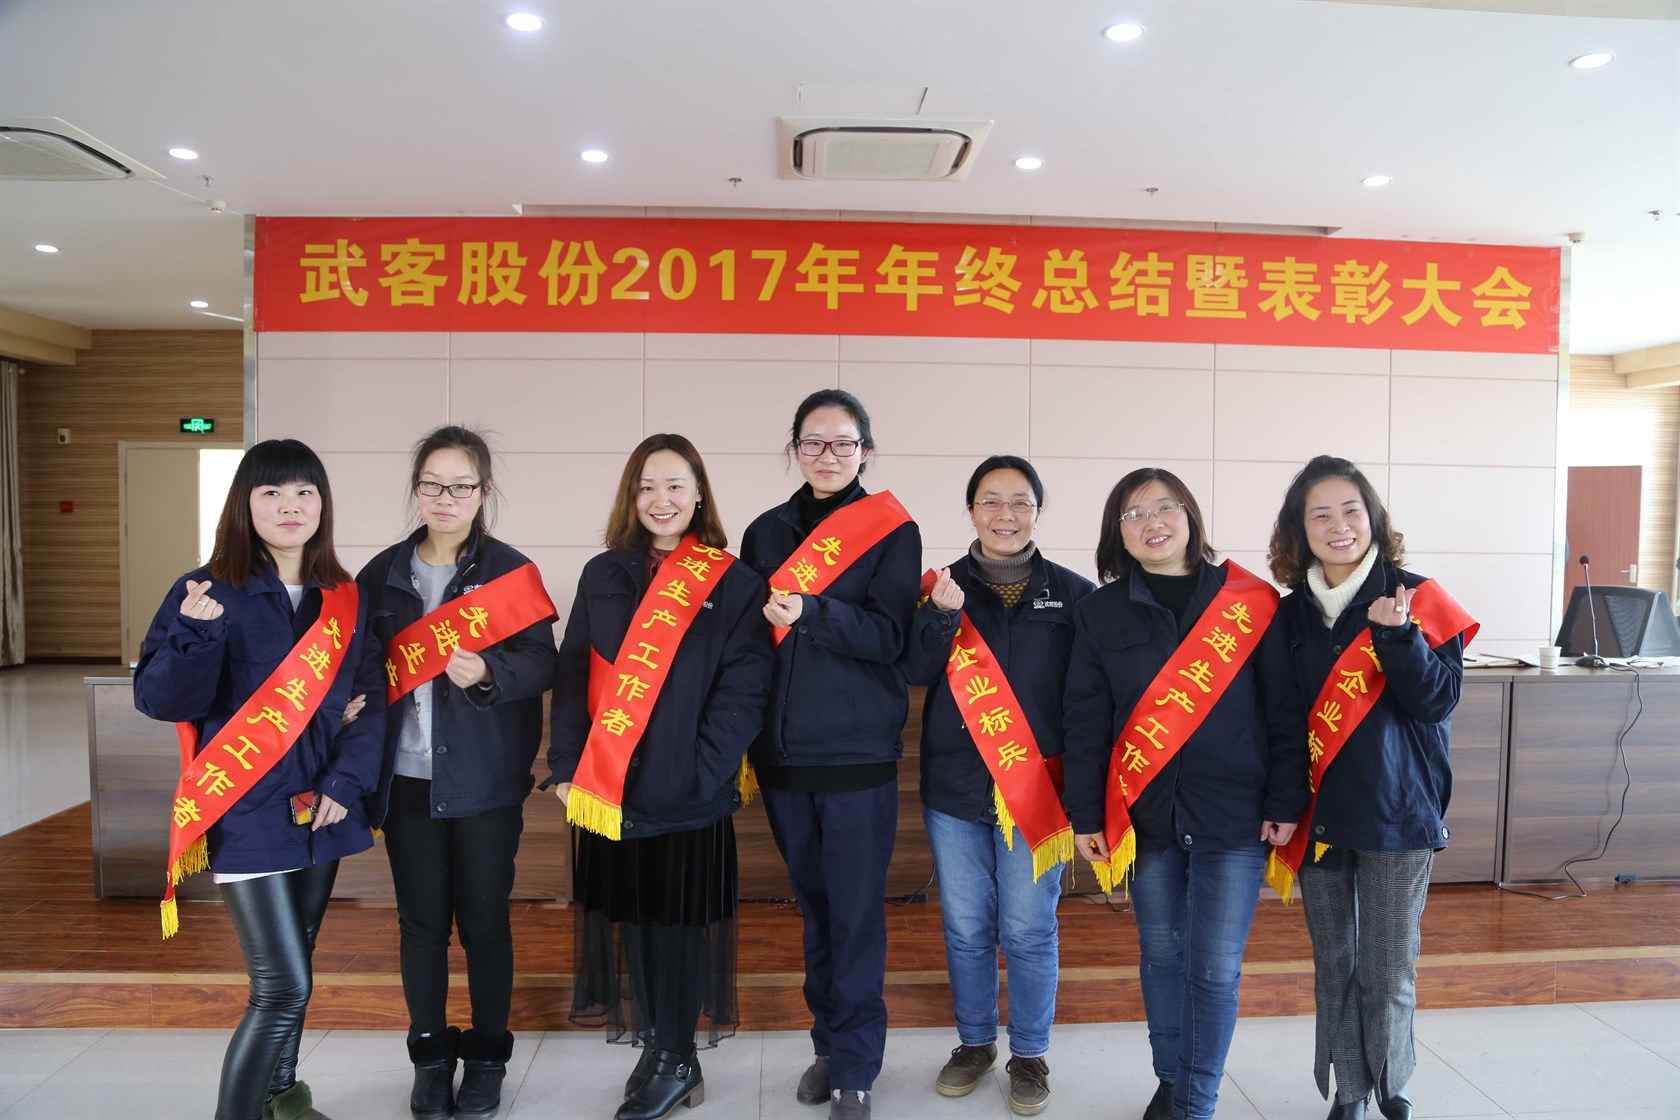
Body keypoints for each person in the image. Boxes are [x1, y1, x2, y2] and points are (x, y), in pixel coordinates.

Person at [134, 439, 387, 1120]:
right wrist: (195, 636)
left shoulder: (345, 597)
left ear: (323, 504)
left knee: (298, 963)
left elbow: (370, 698)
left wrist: (345, 782)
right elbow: (160, 699)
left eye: (304, 492)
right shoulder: (206, 590)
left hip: (319, 805)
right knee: (281, 987)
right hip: (244, 805)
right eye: (271, 492)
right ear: (244, 504)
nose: (289, 506)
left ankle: (282, 1100)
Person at [1062, 468, 1306, 1120]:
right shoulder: (1099, 613)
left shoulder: (1251, 602)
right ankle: (1172, 1081)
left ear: (1190, 516)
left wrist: (1286, 800)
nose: (1153, 523)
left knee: (1215, 967)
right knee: (1162, 955)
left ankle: (1196, 1102)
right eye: (1135, 514)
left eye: (1165, 507)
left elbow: (1283, 712)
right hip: (1147, 816)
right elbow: (1085, 721)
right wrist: (1085, 813)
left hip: (1235, 813)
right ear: (1118, 532)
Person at [548, 433, 772, 1120]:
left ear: (699, 493)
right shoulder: (603, 574)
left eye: (675, 485)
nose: (661, 499)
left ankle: (677, 1056)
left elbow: (745, 690)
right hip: (612, 788)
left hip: (689, 792)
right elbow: (573, 672)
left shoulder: (733, 582)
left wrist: (698, 771)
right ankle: (659, 1047)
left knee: (679, 927)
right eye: (646, 486)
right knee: (638, 924)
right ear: (631, 496)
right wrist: (566, 768)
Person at [356, 426, 558, 1120]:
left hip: (484, 784)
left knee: (484, 924)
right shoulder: (381, 575)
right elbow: (357, 667)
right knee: (420, 926)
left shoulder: (510, 573)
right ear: (416, 489)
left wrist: (489, 673)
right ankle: (430, 1057)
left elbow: (543, 664)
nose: (446, 498)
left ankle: (488, 1057)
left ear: (483, 492)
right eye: (433, 485)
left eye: (461, 486)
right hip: (406, 783)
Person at [1266, 455, 1476, 1120]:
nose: (1339, 526)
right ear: (1300, 530)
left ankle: (1391, 1082)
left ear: (1374, 519)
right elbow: (1282, 721)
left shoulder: (1419, 598)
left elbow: (1437, 701)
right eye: (1320, 514)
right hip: (1321, 816)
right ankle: (1351, 1092)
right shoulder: (1289, 615)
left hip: (1398, 813)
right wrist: (1282, 805)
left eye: (1351, 511)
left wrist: (1397, 636)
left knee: (1388, 965)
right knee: (1336, 964)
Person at [740, 389, 920, 1120]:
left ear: (865, 452)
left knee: (855, 916)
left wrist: (813, 612)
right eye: (813, 442)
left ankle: (856, 1067)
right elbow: (749, 645)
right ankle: (827, 1044)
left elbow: (891, 639)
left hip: (856, 756)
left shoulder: (892, 531)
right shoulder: (765, 532)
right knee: (814, 910)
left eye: (843, 443)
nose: (827, 455)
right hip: (784, 756)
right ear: (794, 449)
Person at [901, 454, 1093, 1117]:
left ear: (1037, 512)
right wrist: (939, 618)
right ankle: (975, 1043)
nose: (1004, 514)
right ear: (971, 510)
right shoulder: (938, 588)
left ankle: (1030, 1053)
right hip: (955, 790)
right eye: (990, 500)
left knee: (1030, 929)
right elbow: (914, 670)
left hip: (1036, 794)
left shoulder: (1074, 595)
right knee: (965, 928)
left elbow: (1087, 701)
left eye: (1019, 502)